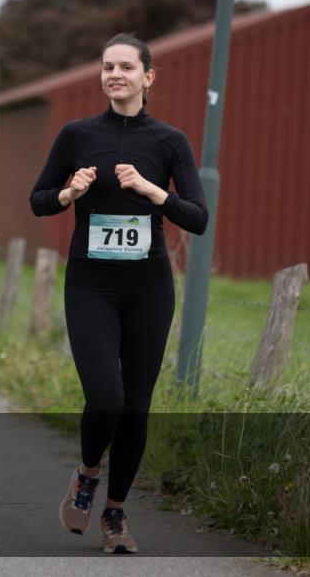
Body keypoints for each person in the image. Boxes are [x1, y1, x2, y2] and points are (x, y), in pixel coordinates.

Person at [29, 33, 208, 554]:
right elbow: (39, 200)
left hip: (149, 287)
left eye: (127, 66)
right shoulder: (76, 134)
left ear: (148, 78)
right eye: (108, 66)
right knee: (106, 395)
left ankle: (116, 514)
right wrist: (70, 193)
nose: (116, 74)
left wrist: (154, 192)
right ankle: (87, 475)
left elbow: (197, 216)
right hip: (91, 285)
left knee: (135, 406)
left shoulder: (170, 142)